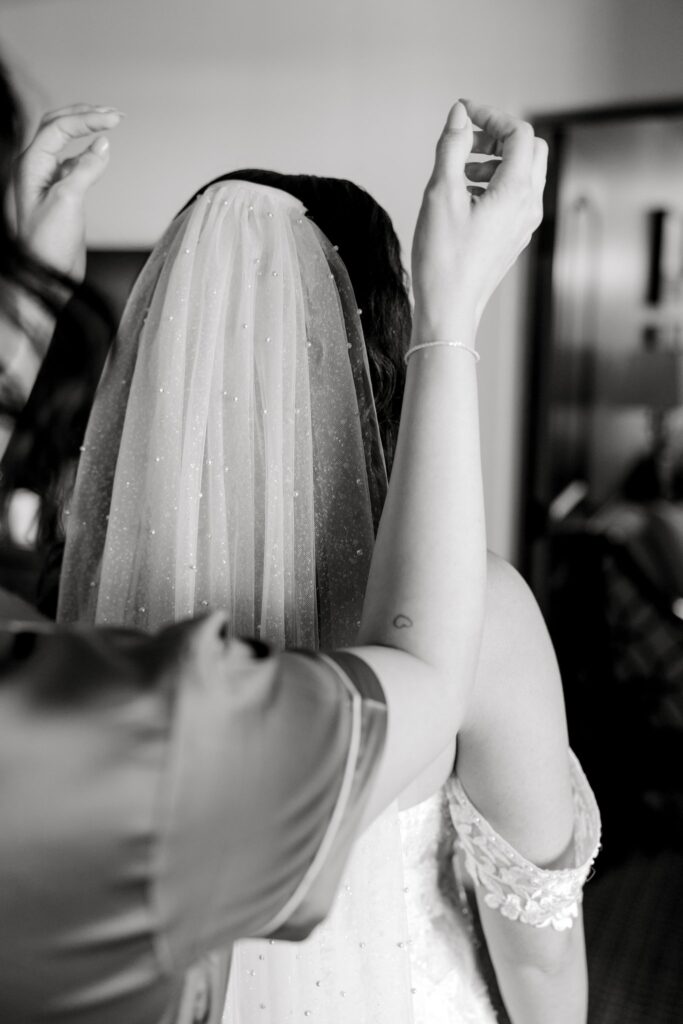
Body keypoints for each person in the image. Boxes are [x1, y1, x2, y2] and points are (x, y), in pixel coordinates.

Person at [56, 112, 600, 1024]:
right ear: (372, 347)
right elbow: (541, 969)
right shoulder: (483, 614)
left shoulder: (78, 618)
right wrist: (453, 311)